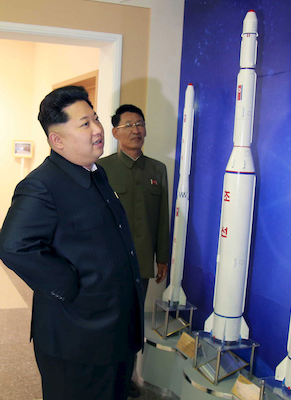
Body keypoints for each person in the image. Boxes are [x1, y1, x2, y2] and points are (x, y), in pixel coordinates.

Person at [0, 86, 144, 400]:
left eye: (95, 119)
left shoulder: (96, 174)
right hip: (78, 339)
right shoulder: (42, 185)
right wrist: (69, 285)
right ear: (57, 140)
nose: (98, 130)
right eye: (84, 124)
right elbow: (13, 246)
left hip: (113, 332)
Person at [97, 104, 170, 397]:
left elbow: (163, 217)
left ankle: (127, 378)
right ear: (115, 132)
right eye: (128, 125)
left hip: (140, 264)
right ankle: (104, 377)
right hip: (108, 264)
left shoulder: (157, 169)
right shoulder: (101, 168)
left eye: (140, 124)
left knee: (132, 323)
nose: (136, 130)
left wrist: (162, 257)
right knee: (108, 321)